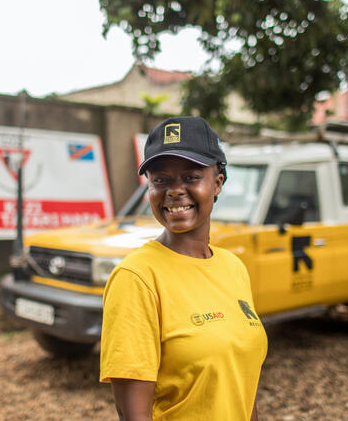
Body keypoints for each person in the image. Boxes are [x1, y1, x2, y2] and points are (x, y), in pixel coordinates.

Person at [100, 116, 267, 420]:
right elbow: (133, 415)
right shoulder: (137, 278)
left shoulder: (233, 268)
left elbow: (243, 387)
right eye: (161, 180)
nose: (175, 191)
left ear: (217, 183)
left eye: (191, 177)